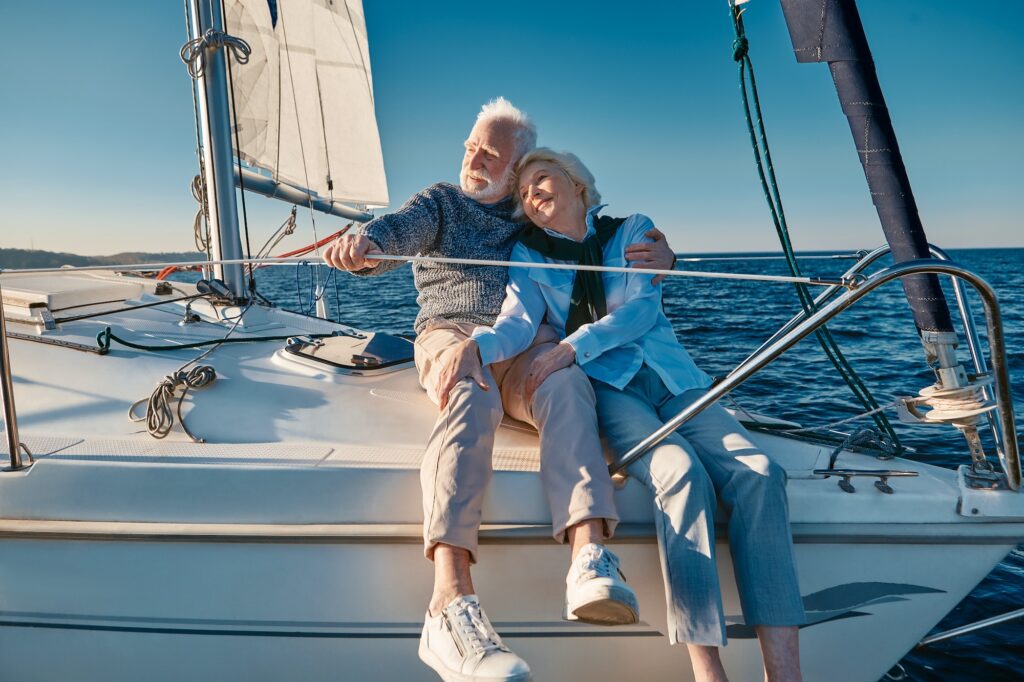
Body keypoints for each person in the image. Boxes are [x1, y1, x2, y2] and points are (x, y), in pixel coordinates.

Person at [323, 99, 677, 682]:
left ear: (516, 169)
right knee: (471, 391)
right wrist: (363, 246)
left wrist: (665, 254)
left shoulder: (528, 217)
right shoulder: (440, 202)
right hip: (453, 332)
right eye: (471, 145)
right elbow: (393, 234)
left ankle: (589, 556)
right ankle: (448, 605)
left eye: (490, 151)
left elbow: (596, 234)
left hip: (523, 341)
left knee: (566, 385)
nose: (474, 157)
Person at [438, 147, 806, 682]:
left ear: (577, 185)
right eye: (523, 192)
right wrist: (479, 345)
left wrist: (571, 346)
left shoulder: (632, 229)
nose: (531, 193)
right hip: (612, 390)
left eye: (542, 179)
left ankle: (785, 672)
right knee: (679, 475)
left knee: (761, 474)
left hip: (676, 381)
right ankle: (708, 671)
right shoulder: (529, 253)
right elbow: (517, 322)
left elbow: (642, 309)